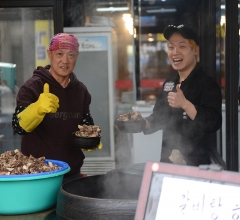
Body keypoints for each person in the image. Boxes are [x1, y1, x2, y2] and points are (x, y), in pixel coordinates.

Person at [12, 33, 101, 183]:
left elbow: (85, 122)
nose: (65, 61)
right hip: (39, 173)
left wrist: (90, 139)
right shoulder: (32, 87)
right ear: (49, 54)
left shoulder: (81, 91)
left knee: (70, 207)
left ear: (77, 57)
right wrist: (37, 109)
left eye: (71, 55)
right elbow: (18, 126)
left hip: (71, 172)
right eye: (59, 54)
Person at [143, 24, 222, 166]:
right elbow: (158, 117)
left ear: (195, 50)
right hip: (167, 163)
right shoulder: (169, 83)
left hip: (195, 166)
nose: (175, 52)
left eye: (182, 46)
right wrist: (141, 124)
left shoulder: (207, 83)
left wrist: (185, 104)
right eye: (171, 47)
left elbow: (213, 123)